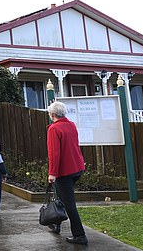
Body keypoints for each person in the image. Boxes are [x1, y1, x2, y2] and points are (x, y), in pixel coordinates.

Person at [47, 101, 88, 245]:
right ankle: (55, 224)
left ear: (52, 115)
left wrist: (52, 173)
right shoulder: (71, 125)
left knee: (69, 204)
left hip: (64, 172)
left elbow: (54, 154)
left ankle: (80, 235)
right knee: (62, 198)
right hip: (77, 168)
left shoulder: (54, 129)